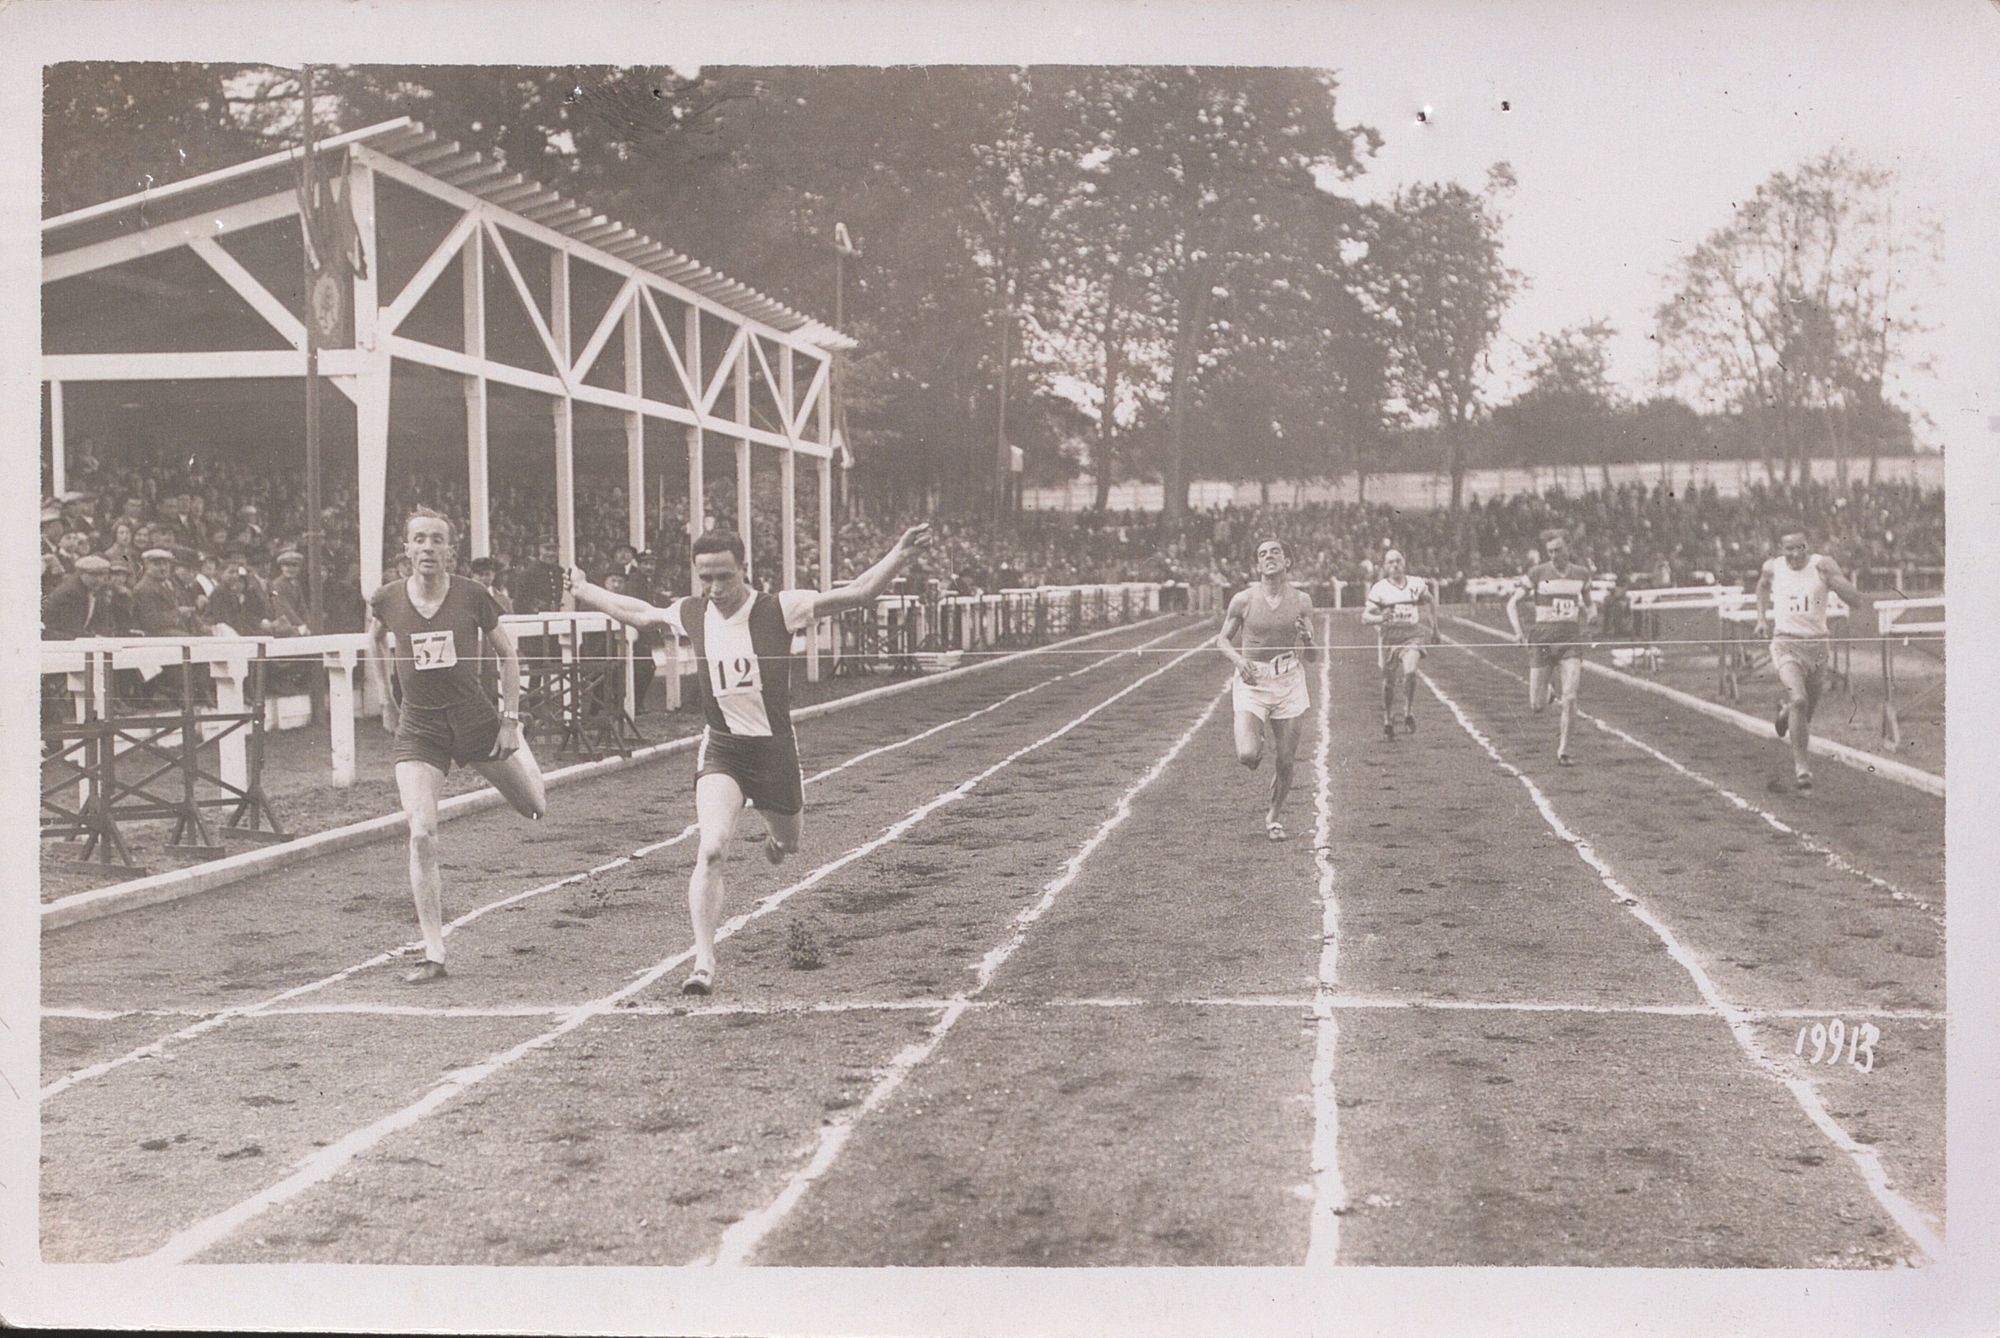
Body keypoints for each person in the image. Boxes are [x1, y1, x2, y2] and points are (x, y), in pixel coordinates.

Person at [567, 521, 934, 996]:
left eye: (723, 577)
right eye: (705, 578)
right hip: (723, 748)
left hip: (774, 750)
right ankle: (703, 962)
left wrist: (899, 554)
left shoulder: (780, 607)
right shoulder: (692, 611)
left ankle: (775, 842)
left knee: (790, 845)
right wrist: (584, 589)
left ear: (744, 569)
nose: (715, 589)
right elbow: (638, 614)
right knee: (712, 847)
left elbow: (859, 594)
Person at [367, 506, 549, 983]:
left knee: (534, 808)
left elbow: (508, 655)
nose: (428, 548)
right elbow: (372, 641)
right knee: (422, 832)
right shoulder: (386, 598)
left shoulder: (473, 595)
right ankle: (434, 952)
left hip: (476, 721)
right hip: (420, 728)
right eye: (419, 540)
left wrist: (509, 720)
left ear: (450, 550)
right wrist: (387, 699)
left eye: (437, 541)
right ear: (406, 548)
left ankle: (520, 748)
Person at [1213, 537, 1320, 842]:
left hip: (1288, 681)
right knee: (1248, 755)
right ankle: (1255, 734)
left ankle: (1274, 816)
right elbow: (1222, 639)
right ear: (1257, 565)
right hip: (1253, 681)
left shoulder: (1301, 601)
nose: (1269, 557)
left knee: (1286, 759)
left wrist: (1308, 639)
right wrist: (1237, 660)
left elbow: (1312, 656)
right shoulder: (1243, 600)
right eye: (1262, 554)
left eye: (1276, 552)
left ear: (1288, 562)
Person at [1753, 526, 1871, 795]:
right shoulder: (1773, 568)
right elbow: (1761, 588)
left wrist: (1833, 581)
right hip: (1786, 643)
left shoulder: (1823, 565)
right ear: (1781, 550)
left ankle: (1785, 714)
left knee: (1804, 713)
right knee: (1799, 699)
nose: (1795, 553)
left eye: (1800, 547)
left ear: (1808, 546)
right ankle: (1802, 769)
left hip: (1817, 646)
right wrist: (1761, 618)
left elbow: (1856, 601)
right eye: (1789, 548)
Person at [1506, 528, 1597, 766]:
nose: (1554, 555)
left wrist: (1592, 617)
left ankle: (1564, 750)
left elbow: (1589, 604)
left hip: (1570, 641)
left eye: (1558, 550)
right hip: (1542, 640)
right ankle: (1548, 693)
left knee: (1570, 697)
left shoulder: (1582, 574)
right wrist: (1517, 632)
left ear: (1568, 548)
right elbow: (1511, 604)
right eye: (1550, 551)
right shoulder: (1537, 573)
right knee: (1536, 705)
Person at [1361, 549, 1437, 740]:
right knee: (1388, 683)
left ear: (1404, 563)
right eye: (1390, 562)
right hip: (1389, 637)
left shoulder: (1416, 583)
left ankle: (1408, 711)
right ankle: (1388, 719)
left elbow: (1430, 600)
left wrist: (1435, 628)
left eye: (1398, 561)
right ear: (1385, 567)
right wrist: (1379, 617)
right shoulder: (1380, 588)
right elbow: (1365, 617)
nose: (1395, 565)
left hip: (1412, 634)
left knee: (1410, 672)